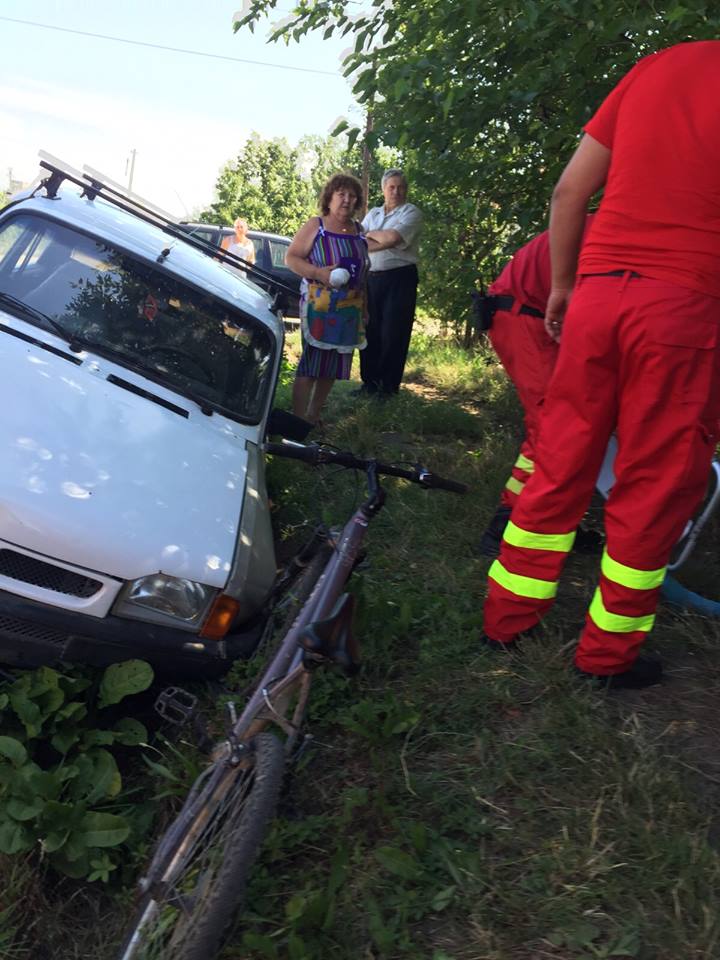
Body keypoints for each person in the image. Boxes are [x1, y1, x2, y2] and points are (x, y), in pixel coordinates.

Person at [481, 41, 720, 689]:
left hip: (596, 296)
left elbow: (568, 192)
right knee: (654, 484)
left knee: (560, 460)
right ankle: (606, 657)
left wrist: (564, 286)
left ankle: (507, 620)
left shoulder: (658, 67)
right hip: (685, 309)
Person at [478, 217, 600, 557]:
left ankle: (556, 519)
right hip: (524, 317)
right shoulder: (616, 236)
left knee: (572, 426)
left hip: (532, 314)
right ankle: (506, 525)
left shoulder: (616, 227)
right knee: (553, 427)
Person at [285, 172, 368, 425]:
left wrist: (365, 307)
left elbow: (364, 272)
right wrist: (318, 273)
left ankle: (313, 415)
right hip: (318, 305)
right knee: (312, 364)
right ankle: (298, 422)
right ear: (329, 198)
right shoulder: (316, 226)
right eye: (341, 194)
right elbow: (291, 258)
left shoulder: (359, 230)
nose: (346, 200)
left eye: (352, 196)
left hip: (348, 308)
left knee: (334, 363)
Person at [360, 169, 423, 396]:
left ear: (406, 189)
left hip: (400, 278)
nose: (396, 191)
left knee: (393, 333)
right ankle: (369, 383)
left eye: (400, 187)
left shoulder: (411, 213)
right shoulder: (373, 213)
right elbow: (360, 242)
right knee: (369, 330)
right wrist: (382, 238)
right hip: (371, 278)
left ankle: (387, 388)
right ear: (383, 189)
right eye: (392, 187)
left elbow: (394, 239)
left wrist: (373, 237)